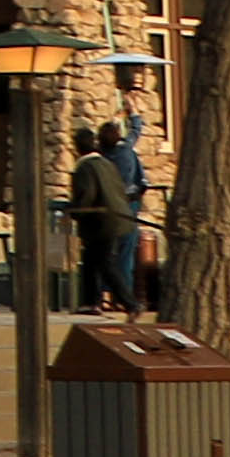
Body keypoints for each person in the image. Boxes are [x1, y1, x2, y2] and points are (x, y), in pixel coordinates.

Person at [68, 117, 148, 316]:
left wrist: (74, 211)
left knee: (105, 263)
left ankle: (130, 303)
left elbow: (87, 194)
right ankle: (90, 302)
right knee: (91, 260)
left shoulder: (85, 167)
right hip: (118, 217)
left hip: (102, 221)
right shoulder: (105, 163)